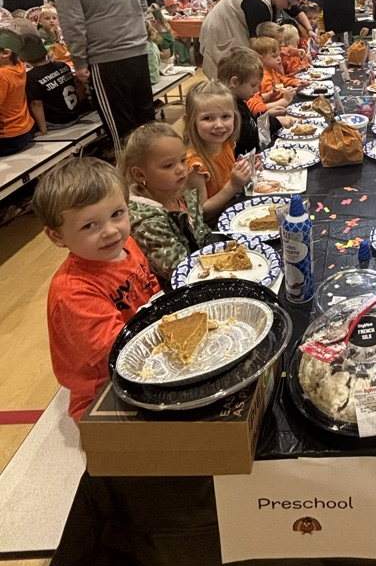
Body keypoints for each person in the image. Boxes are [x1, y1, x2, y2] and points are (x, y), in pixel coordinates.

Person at [33, 157, 160, 421]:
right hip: (104, 384)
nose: (111, 231)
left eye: (117, 214)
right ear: (56, 236)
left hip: (144, 350)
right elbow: (114, 349)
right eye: (90, 225)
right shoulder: (72, 291)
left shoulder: (127, 246)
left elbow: (150, 286)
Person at [46, 0, 155, 151]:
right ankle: (155, 182)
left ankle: (129, 183)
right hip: (138, 53)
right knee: (147, 125)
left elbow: (71, 20)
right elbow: (143, 6)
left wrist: (79, 60)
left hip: (106, 58)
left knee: (121, 132)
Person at [122, 122, 212, 289]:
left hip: (201, 272)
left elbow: (203, 236)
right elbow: (178, 270)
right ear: (140, 174)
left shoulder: (179, 194)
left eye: (183, 160)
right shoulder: (146, 221)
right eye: (168, 165)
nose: (181, 169)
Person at [199, 0, 312, 80]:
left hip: (231, 25)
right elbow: (261, 47)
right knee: (231, 72)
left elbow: (295, 11)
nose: (288, 8)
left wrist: (310, 30)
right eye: (289, 4)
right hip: (221, 30)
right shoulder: (258, 4)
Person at [183, 81, 254, 222]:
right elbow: (202, 214)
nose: (219, 125)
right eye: (208, 118)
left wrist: (246, 169)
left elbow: (228, 178)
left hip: (237, 215)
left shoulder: (226, 144)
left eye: (225, 116)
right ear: (190, 121)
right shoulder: (194, 165)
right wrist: (233, 185)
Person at [21, 33, 88, 133]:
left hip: (57, 122)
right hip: (75, 114)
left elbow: (36, 104)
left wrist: (43, 130)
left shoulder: (31, 77)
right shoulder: (62, 65)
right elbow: (78, 87)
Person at [216, 47, 264, 158]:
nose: (256, 90)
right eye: (253, 85)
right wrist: (275, 123)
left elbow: (251, 124)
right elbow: (251, 138)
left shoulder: (240, 101)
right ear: (235, 82)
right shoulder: (232, 109)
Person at [0, 28, 36, 155]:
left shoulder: (2, 75)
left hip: (8, 138)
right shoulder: (19, 65)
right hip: (27, 129)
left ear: (5, 53)